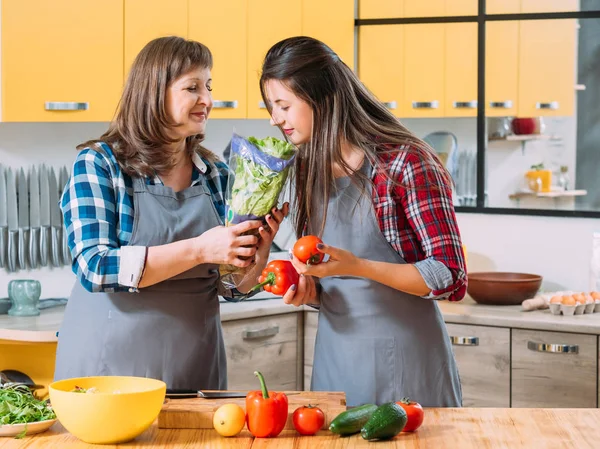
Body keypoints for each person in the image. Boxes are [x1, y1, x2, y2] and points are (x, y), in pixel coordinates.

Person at [54, 36, 288, 390]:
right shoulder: (101, 164)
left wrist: (256, 255)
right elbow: (95, 267)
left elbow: (230, 287)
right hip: (107, 376)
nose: (207, 100)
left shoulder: (217, 175)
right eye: (192, 87)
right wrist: (199, 249)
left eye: (208, 86)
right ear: (153, 92)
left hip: (194, 370)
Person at [260, 36, 466, 407]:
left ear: (321, 97)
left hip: (407, 365)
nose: (276, 119)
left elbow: (448, 274)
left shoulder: (404, 161)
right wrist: (312, 291)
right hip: (334, 365)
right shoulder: (307, 167)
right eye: (271, 107)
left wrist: (356, 266)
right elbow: (332, 277)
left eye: (283, 105)